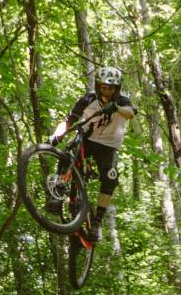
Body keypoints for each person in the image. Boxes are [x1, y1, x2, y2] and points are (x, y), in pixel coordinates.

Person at [48, 65, 136, 242]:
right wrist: (56, 136)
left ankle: (97, 222)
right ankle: (57, 194)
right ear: (98, 85)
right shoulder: (88, 99)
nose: (106, 90)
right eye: (103, 86)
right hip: (87, 138)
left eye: (110, 87)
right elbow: (69, 121)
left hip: (109, 146)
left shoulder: (122, 101)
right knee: (67, 154)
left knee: (110, 178)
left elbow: (130, 113)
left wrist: (116, 108)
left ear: (116, 88)